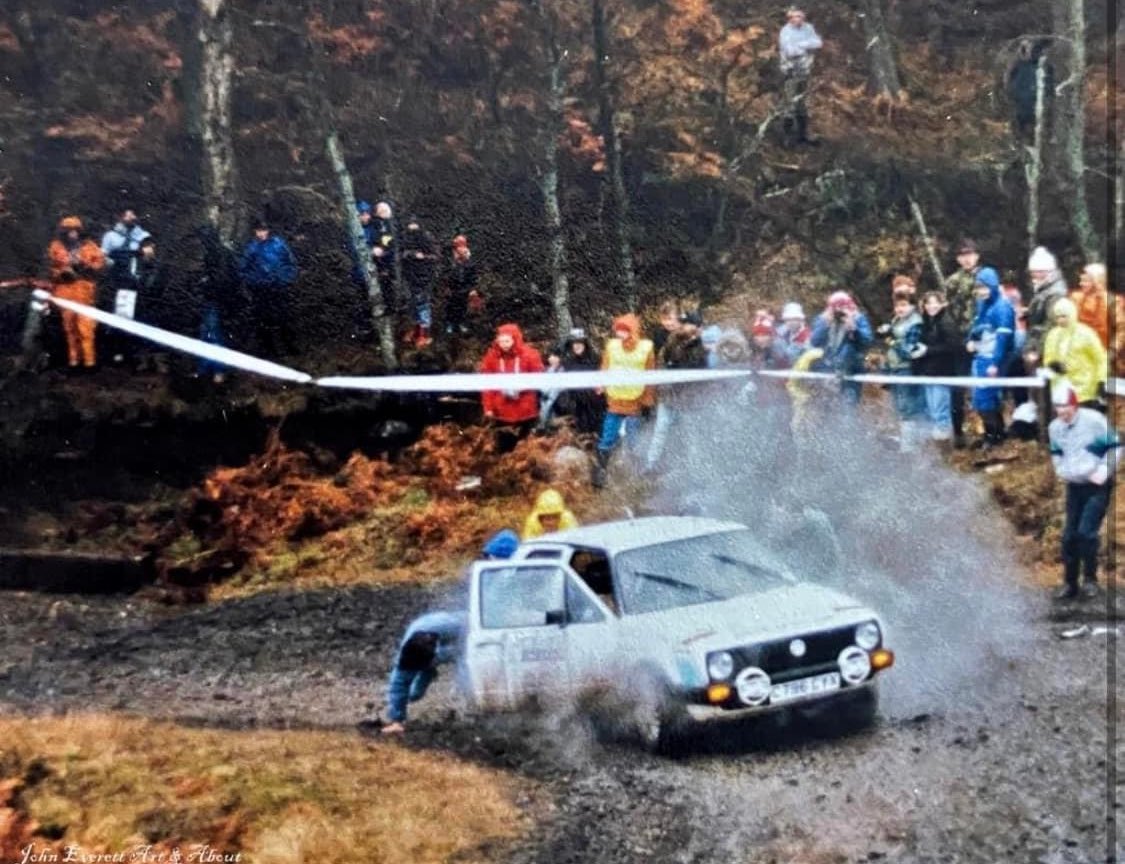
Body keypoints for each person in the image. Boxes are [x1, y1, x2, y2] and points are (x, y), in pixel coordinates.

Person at [376, 529, 520, 735]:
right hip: (429, 644)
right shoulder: (409, 654)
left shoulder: (455, 626)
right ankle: (402, 710)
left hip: (459, 629)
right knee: (412, 687)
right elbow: (402, 681)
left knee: (467, 662)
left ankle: (480, 706)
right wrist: (397, 717)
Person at [1047, 381, 1119, 600]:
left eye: (1065, 407)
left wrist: (1103, 471)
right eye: (1058, 407)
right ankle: (1070, 583)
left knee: (1086, 532)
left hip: (1096, 485)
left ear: (1074, 405)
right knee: (1069, 536)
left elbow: (1115, 446)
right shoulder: (1055, 427)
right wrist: (1061, 470)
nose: (1062, 412)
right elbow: (1057, 451)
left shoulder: (1093, 421)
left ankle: (1090, 579)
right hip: (1074, 485)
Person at [593, 313, 655, 488]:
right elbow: (605, 366)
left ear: (633, 331)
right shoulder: (612, 346)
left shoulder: (646, 348)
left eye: (624, 330)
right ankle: (600, 471)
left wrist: (648, 399)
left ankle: (635, 475)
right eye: (618, 330)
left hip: (635, 401)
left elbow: (651, 374)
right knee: (607, 437)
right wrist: (600, 384)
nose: (620, 334)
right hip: (615, 399)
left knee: (634, 440)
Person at [644, 310, 707, 474]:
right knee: (660, 431)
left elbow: (700, 374)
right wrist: (665, 385)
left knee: (689, 434)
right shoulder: (671, 342)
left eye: (689, 325)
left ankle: (693, 467)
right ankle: (651, 464)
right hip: (669, 396)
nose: (686, 328)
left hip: (689, 399)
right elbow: (662, 363)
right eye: (684, 324)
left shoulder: (700, 348)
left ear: (697, 328)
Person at [47, 216, 106, 369]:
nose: (72, 234)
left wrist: (86, 266)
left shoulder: (89, 246)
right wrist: (61, 273)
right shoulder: (55, 247)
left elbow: (100, 263)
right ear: (63, 232)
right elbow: (50, 268)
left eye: (75, 230)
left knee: (85, 327)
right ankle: (74, 361)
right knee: (69, 328)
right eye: (69, 231)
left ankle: (89, 362)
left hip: (84, 289)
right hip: (65, 291)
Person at [966, 267, 1015, 449]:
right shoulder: (982, 303)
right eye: (979, 288)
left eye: (985, 288)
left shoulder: (1003, 307)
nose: (982, 292)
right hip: (981, 356)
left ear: (993, 286)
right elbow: (977, 326)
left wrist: (995, 363)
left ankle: (993, 436)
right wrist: (970, 339)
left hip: (994, 358)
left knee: (984, 397)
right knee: (984, 398)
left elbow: (1003, 339)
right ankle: (995, 433)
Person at [479, 323, 545, 452]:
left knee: (526, 449)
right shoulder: (491, 358)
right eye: (501, 341)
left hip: (526, 411)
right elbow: (487, 385)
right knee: (503, 450)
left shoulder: (530, 355)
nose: (504, 344)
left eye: (507, 341)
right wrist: (488, 407)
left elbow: (538, 378)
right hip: (501, 412)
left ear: (515, 339)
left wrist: (521, 386)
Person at [238, 220, 298, 358]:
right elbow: (242, 270)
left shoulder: (278, 243)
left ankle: (290, 346)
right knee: (264, 320)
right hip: (261, 290)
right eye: (259, 230)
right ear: (255, 231)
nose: (262, 233)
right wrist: (256, 282)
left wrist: (286, 278)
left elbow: (290, 262)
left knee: (284, 317)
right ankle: (269, 350)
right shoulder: (251, 248)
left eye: (264, 230)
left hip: (279, 286)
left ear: (268, 230)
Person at [943, 238, 981, 447]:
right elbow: (947, 313)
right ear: (958, 259)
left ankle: (988, 432)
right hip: (959, 340)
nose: (967, 259)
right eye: (963, 255)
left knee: (983, 387)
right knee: (958, 387)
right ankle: (958, 432)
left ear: (977, 256)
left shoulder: (985, 278)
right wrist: (955, 338)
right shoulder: (952, 282)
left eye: (970, 255)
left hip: (981, 339)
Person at [880, 286, 926, 452]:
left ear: (912, 306)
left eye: (904, 305)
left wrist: (891, 341)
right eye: (898, 305)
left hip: (907, 368)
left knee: (908, 408)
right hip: (894, 368)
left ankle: (911, 447)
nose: (900, 309)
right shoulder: (896, 321)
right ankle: (906, 442)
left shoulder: (915, 324)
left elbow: (908, 350)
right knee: (899, 406)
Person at [809, 290, 873, 406]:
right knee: (826, 410)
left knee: (847, 411)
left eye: (843, 308)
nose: (839, 313)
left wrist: (854, 329)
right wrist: (825, 325)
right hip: (828, 371)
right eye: (836, 309)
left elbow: (867, 341)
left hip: (850, 373)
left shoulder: (858, 318)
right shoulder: (823, 319)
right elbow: (814, 342)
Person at [1042, 298, 1108, 410]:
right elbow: (1048, 358)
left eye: (1063, 316)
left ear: (1072, 314)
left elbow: (1101, 359)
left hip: (1084, 391)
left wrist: (1101, 381)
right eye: (1057, 317)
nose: (1060, 320)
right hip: (1061, 390)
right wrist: (1053, 365)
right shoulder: (1052, 335)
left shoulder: (1086, 334)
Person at [913, 291, 961, 443]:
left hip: (943, 371)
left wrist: (928, 350)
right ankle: (936, 438)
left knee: (941, 407)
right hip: (929, 371)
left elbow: (953, 346)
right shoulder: (926, 322)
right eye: (928, 303)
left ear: (942, 304)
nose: (931, 306)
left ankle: (945, 439)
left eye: (935, 303)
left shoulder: (947, 322)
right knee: (932, 407)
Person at [196, 226, 237, 384]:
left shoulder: (220, 253)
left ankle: (218, 370)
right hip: (210, 298)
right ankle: (206, 368)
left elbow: (224, 278)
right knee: (206, 332)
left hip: (217, 299)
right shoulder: (212, 253)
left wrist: (209, 285)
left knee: (214, 332)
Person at [778, 5, 823, 147]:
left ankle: (803, 135)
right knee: (789, 104)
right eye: (795, 17)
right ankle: (786, 137)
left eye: (800, 16)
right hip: (790, 72)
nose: (798, 19)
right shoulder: (785, 32)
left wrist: (802, 44)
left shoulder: (808, 28)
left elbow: (818, 43)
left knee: (803, 104)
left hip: (805, 71)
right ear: (790, 18)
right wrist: (806, 47)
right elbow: (790, 52)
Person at [1022, 245, 1068, 370]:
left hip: (1046, 349)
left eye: (1036, 272)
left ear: (1047, 271)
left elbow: (1050, 324)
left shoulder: (1055, 293)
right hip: (1040, 344)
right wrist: (1029, 313)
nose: (1033, 276)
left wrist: (1036, 350)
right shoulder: (1044, 289)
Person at [556, 328, 604, 435]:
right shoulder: (567, 363)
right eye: (574, 343)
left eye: (579, 343)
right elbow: (563, 385)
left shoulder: (595, 359)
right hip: (576, 404)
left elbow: (602, 380)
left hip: (595, 403)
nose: (576, 346)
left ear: (584, 344)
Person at [1006, 39, 1054, 141]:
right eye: (1025, 49)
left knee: (1036, 126)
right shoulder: (1017, 65)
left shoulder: (1045, 66)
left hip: (1036, 105)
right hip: (1023, 104)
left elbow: (1050, 85)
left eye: (1029, 48)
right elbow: (1010, 83)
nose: (1027, 52)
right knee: (1024, 125)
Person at [400, 217, 438, 348]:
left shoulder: (427, 238)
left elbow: (435, 256)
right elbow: (401, 254)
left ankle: (425, 335)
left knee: (423, 306)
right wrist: (412, 254)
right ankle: (416, 331)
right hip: (410, 277)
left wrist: (423, 258)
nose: (413, 227)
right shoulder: (405, 238)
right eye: (410, 224)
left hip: (425, 277)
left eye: (415, 224)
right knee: (412, 305)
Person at [1070, 263, 1119, 351]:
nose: (1081, 284)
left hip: (1103, 352)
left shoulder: (1112, 301)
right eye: (1081, 280)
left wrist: (1111, 352)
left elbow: (1121, 330)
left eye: (1085, 281)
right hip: (1080, 350)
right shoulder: (1076, 298)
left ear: (1097, 281)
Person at [444, 234, 478, 336]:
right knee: (451, 305)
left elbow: (473, 273)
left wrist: (472, 288)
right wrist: (446, 286)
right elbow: (446, 272)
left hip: (464, 286)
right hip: (452, 286)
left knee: (462, 305)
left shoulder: (469, 258)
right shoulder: (450, 258)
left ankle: (461, 323)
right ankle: (450, 323)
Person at [371, 201, 397, 309]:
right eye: (382, 211)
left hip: (389, 258)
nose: (385, 213)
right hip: (383, 259)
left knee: (390, 283)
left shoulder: (391, 224)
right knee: (386, 284)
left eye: (386, 210)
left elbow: (390, 240)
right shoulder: (378, 224)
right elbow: (380, 239)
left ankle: (392, 304)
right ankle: (390, 305)